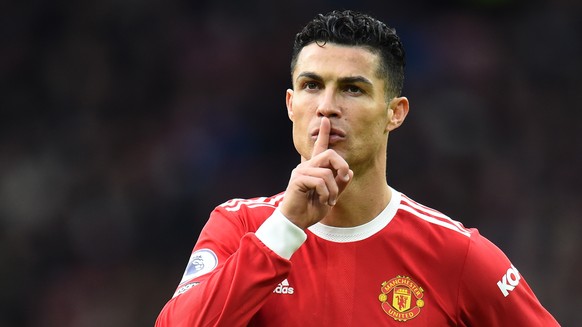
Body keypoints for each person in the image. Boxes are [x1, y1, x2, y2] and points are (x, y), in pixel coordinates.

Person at [155, 9, 559, 326]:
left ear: (394, 113)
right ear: (291, 105)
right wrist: (284, 229)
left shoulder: (457, 255)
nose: (327, 106)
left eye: (353, 89)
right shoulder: (238, 227)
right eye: (312, 85)